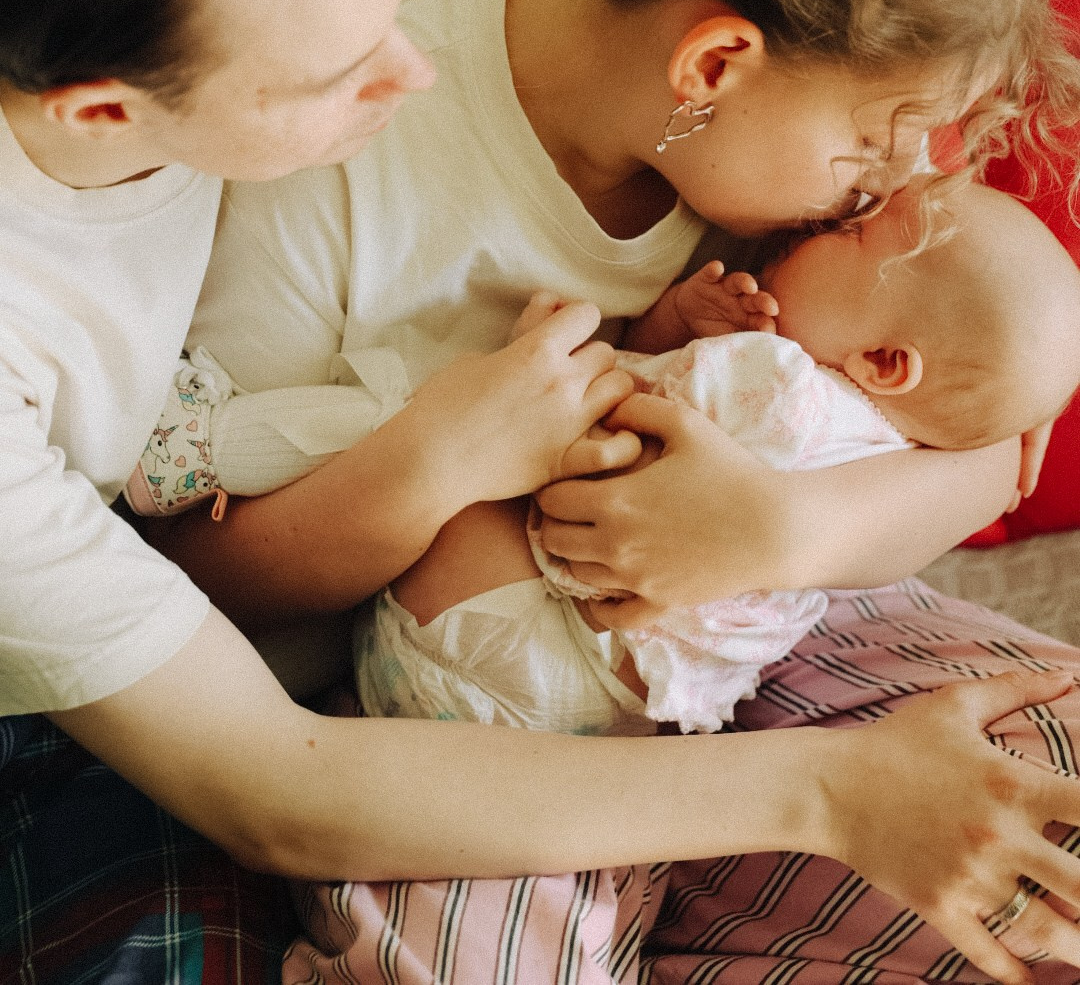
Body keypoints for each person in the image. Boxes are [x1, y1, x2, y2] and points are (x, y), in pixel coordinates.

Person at [134, 0, 1080, 982]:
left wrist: (773, 535)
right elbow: (198, 576)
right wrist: (435, 465)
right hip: (436, 727)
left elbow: (991, 446)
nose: (905, 185)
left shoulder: (782, 187)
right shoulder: (339, 144)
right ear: (716, 61)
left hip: (734, 655)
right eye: (877, 142)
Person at [346, 180, 1080, 746]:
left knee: (457, 455)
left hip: (514, 629)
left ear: (885, 361)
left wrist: (583, 342)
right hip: (619, 707)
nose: (831, 221)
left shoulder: (784, 388)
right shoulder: (889, 456)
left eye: (855, 233)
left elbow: (600, 407)